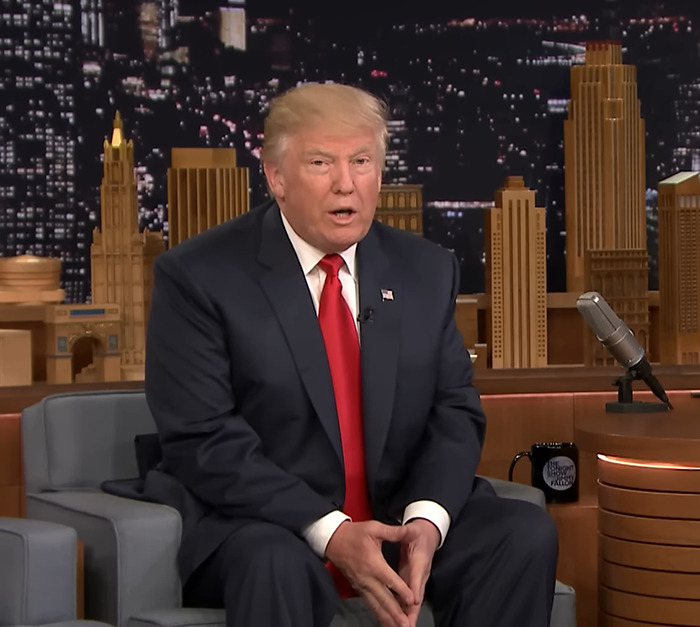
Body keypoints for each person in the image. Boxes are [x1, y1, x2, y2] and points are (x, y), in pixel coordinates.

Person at [144, 82, 558, 627]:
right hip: (269, 523)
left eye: (362, 161)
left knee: (522, 533)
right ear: (277, 177)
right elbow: (204, 438)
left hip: (393, 516)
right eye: (321, 162)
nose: (346, 183)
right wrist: (331, 531)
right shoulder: (200, 276)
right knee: (276, 563)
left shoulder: (425, 270)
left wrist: (427, 522)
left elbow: (453, 411)